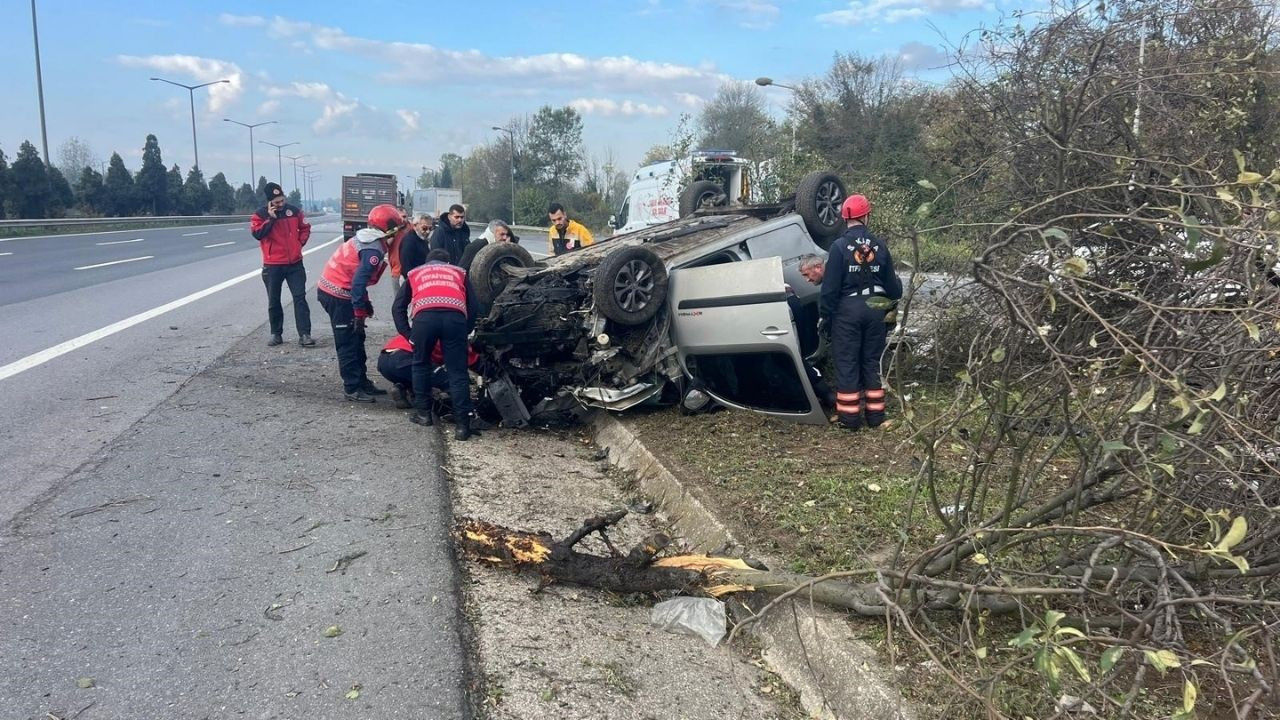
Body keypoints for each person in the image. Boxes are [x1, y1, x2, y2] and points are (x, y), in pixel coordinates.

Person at [819, 194, 902, 430]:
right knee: (871, 361)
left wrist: (826, 316)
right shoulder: (881, 245)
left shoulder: (838, 247)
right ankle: (876, 418)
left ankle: (850, 419)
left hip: (847, 310)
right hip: (876, 308)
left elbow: (830, 289)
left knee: (847, 362)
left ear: (844, 217)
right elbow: (893, 288)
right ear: (866, 215)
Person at [316, 203, 408, 402]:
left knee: (358, 339)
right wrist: (359, 314)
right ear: (390, 229)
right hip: (337, 295)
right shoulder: (373, 250)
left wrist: (364, 304)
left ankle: (361, 381)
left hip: (340, 292)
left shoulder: (367, 239)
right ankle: (352, 387)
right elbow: (357, 284)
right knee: (348, 341)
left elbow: (356, 280)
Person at [392, 249, 483, 440]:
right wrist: (465, 329)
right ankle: (462, 427)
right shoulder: (459, 272)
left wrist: (407, 334)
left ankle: (424, 414)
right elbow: (474, 306)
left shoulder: (416, 273)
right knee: (457, 371)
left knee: (420, 364)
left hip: (425, 320)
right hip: (454, 319)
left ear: (428, 262)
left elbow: (398, 307)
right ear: (448, 263)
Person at [250, 182, 313, 347]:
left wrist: (299, 243)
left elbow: (305, 228)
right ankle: (276, 334)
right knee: (274, 300)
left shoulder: (294, 211)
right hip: (273, 265)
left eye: (282, 200)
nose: (281, 204)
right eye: (276, 202)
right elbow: (257, 234)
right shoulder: (260, 215)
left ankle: (305, 334)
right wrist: (270, 219)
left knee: (300, 298)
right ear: (270, 202)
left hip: (295, 264)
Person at [376, 334, 480, 410]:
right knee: (446, 380)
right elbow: (470, 360)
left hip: (384, 361)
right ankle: (464, 411)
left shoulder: (427, 326)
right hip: (405, 359)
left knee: (419, 377)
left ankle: (401, 387)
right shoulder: (453, 336)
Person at [791, 254, 836, 410]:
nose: (807, 280)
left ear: (818, 267)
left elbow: (829, 307)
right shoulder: (835, 276)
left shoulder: (833, 281)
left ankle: (844, 408)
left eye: (806, 275)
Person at [399, 212, 435, 280]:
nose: (428, 231)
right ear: (415, 226)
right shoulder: (409, 242)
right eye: (424, 228)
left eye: (430, 228)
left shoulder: (422, 239)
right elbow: (406, 268)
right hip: (412, 280)